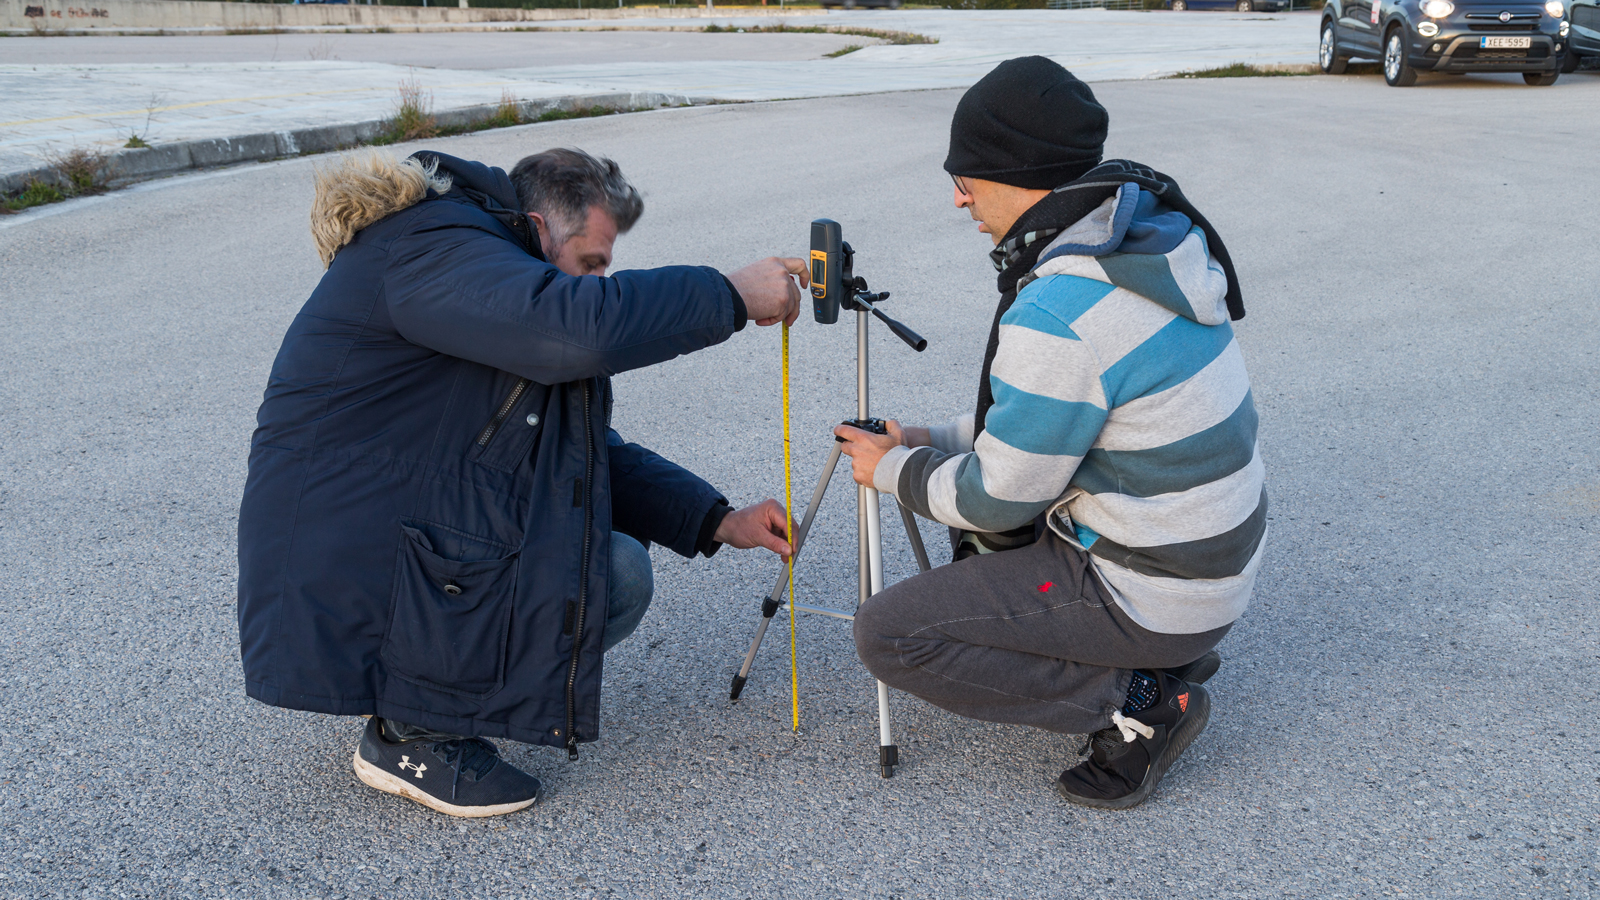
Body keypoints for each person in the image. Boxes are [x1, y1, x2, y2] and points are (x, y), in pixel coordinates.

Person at [238, 147, 806, 818]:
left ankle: (419, 698)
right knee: (609, 574)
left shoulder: (477, 268)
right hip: (337, 549)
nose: (596, 282)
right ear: (537, 227)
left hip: (382, 526)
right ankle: (412, 732)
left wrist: (714, 519)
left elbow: (572, 455)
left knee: (612, 567)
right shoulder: (433, 250)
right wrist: (729, 295)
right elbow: (581, 326)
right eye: (590, 264)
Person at [835, 57, 1264, 810]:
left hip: (1152, 592)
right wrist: (927, 436)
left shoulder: (1060, 309)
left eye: (965, 177)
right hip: (1205, 570)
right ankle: (1158, 656)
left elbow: (998, 498)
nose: (958, 197)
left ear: (1017, 172)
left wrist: (893, 469)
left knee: (890, 633)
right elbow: (1057, 426)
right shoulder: (1146, 248)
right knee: (987, 542)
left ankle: (1140, 704)